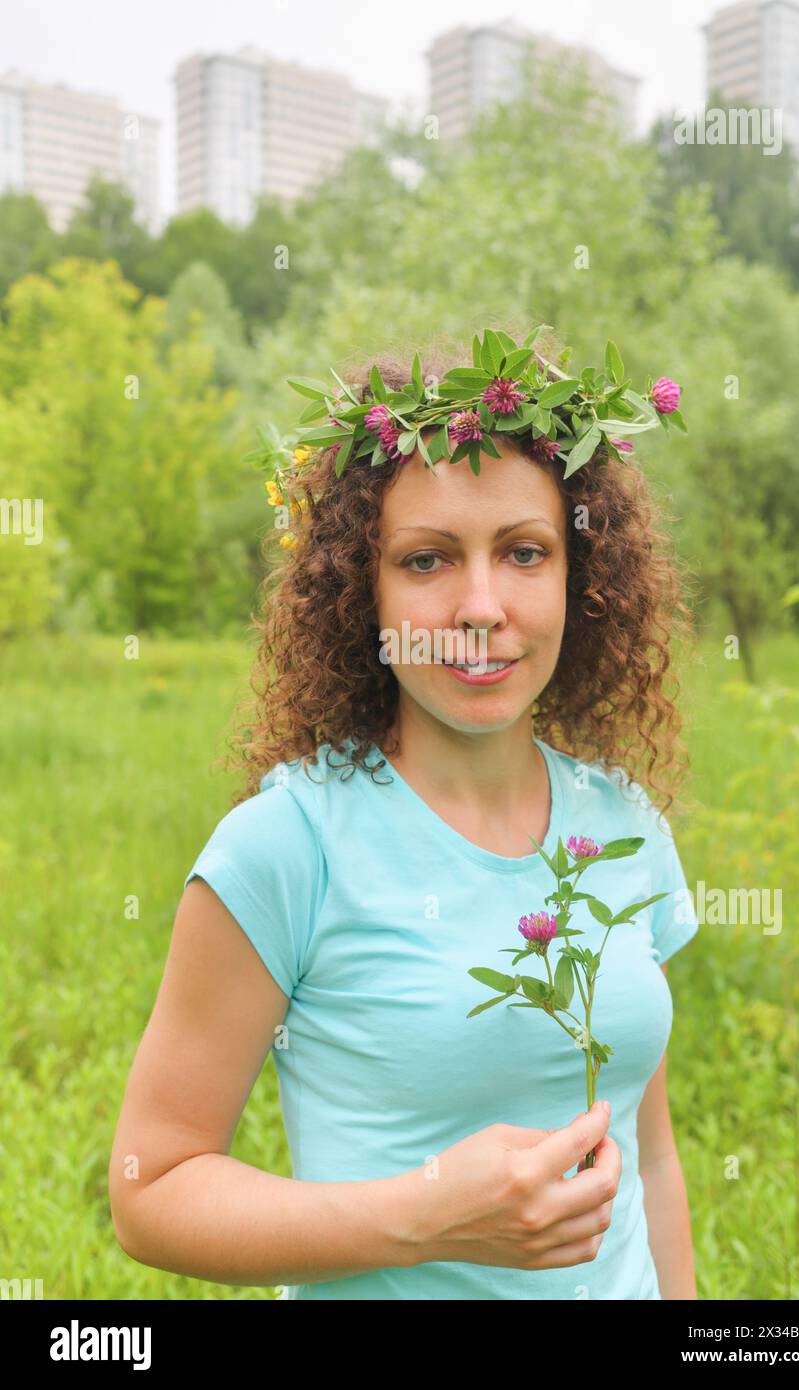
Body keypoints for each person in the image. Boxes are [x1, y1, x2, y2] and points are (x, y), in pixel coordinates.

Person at [109, 327, 700, 1299]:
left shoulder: (621, 825)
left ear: (577, 578)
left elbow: (650, 1159)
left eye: (522, 551)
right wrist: (419, 1219)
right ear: (360, 590)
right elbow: (151, 1188)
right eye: (426, 561)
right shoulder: (284, 846)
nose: (479, 604)